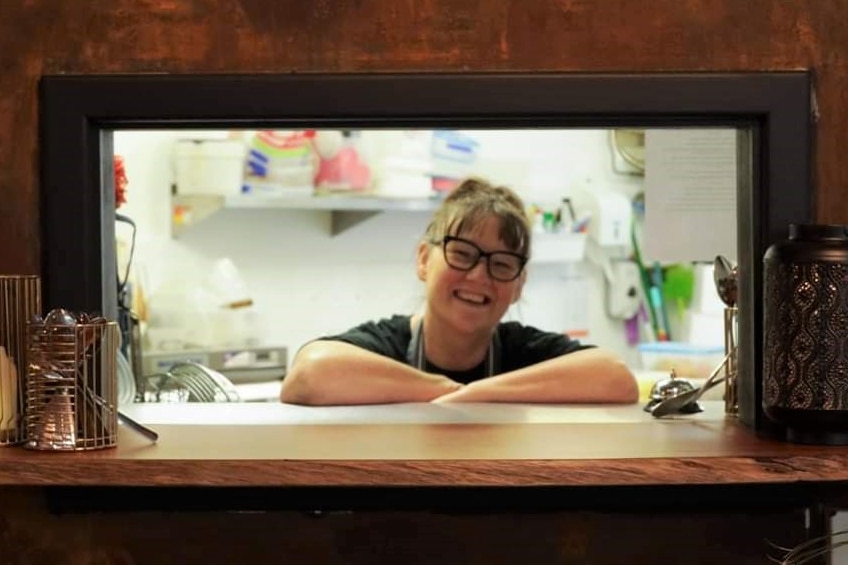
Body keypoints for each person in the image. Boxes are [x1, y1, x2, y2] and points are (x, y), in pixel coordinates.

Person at [280, 178, 638, 406]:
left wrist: (478, 394)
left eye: (501, 264)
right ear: (424, 259)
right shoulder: (388, 343)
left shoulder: (519, 349)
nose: (479, 275)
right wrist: (446, 390)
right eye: (462, 254)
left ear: (518, 285)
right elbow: (310, 375)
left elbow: (616, 376)